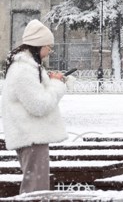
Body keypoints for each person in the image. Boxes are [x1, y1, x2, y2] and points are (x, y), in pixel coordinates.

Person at [2, 20, 72, 194]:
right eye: (49, 46)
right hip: (31, 136)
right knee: (35, 189)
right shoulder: (23, 70)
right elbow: (39, 105)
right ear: (38, 45)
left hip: (31, 135)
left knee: (35, 186)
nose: (50, 52)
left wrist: (52, 80)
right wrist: (56, 84)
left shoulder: (26, 67)